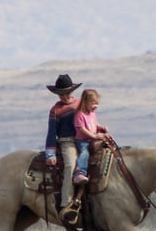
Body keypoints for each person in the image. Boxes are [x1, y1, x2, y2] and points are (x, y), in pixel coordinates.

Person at [44, 74, 82, 208]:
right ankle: (67, 202)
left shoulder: (81, 103)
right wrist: (50, 154)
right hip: (67, 142)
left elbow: (90, 119)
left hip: (85, 138)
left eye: (67, 93)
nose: (65, 96)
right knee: (70, 165)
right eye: (61, 94)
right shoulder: (55, 110)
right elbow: (51, 133)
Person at [72, 88, 109, 185]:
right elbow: (82, 130)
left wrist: (101, 128)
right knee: (85, 153)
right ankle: (79, 172)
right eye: (93, 103)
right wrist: (95, 136)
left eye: (97, 103)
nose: (95, 106)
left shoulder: (92, 113)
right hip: (82, 140)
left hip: (92, 138)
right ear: (85, 102)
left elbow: (94, 123)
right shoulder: (80, 114)